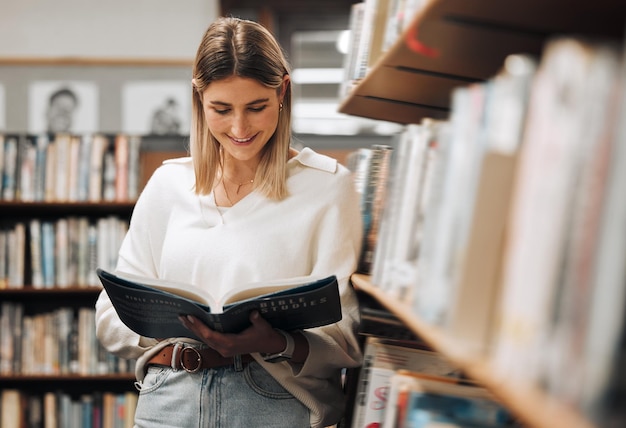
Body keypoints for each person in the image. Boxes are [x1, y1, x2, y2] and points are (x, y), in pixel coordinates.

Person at [95, 16, 363, 428]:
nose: (240, 128)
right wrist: (175, 336)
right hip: (170, 394)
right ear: (199, 100)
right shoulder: (168, 184)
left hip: (272, 397)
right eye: (221, 109)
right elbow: (110, 317)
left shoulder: (328, 187)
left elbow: (343, 339)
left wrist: (275, 342)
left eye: (256, 107)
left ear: (282, 93)